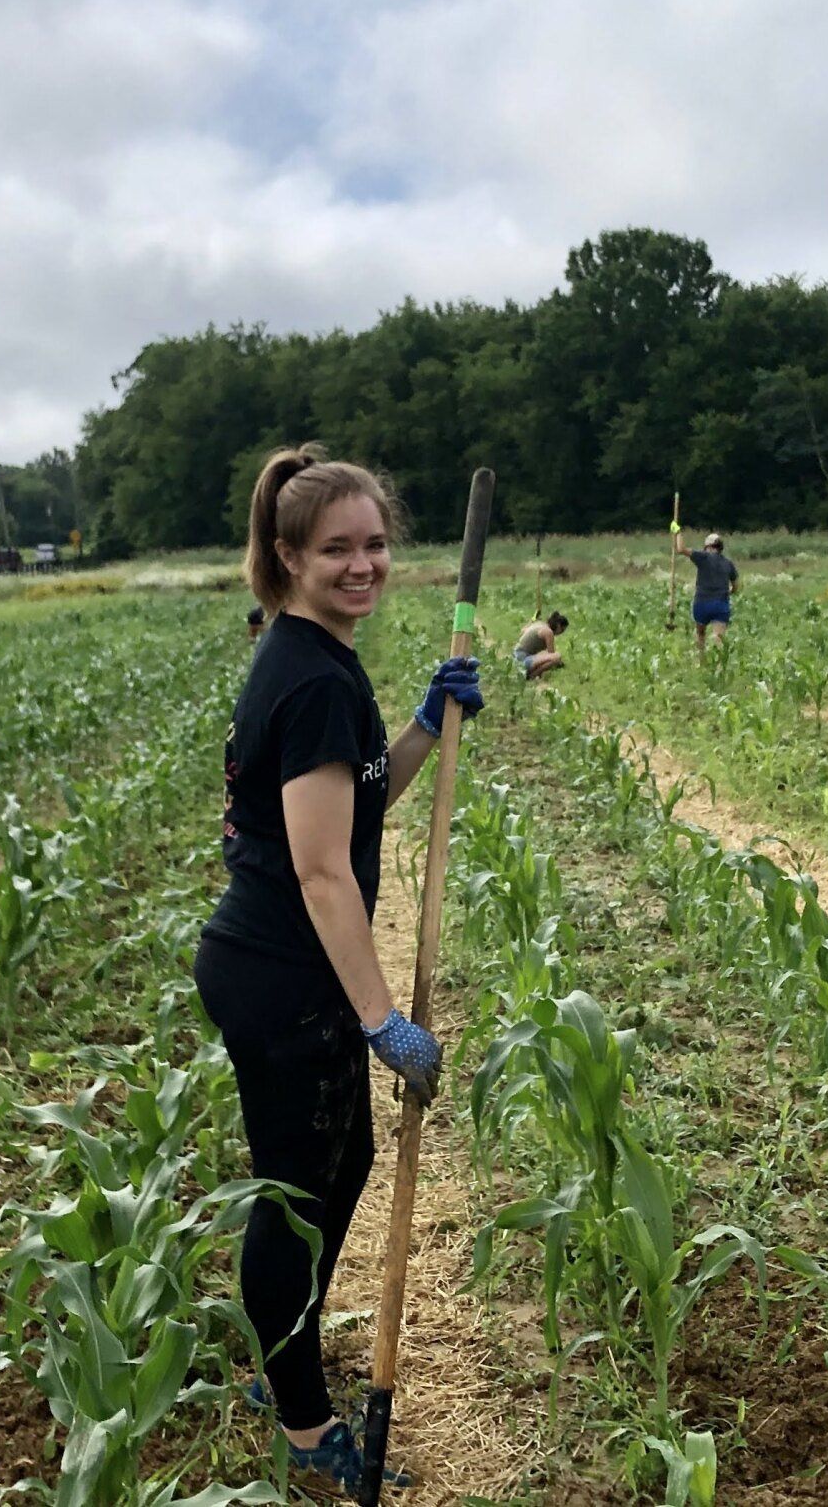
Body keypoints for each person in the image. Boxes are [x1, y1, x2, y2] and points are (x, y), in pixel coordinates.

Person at [193, 446, 484, 1493]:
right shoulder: (313, 678)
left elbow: (357, 802)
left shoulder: (313, 655)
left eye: (375, 544)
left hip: (278, 965)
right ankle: (307, 1426)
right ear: (289, 555)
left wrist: (424, 726)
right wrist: (381, 1019)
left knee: (334, 1169)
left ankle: (285, 1366)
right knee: (300, 1199)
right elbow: (323, 873)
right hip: (284, 974)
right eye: (336, 550)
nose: (363, 565)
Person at [673, 524, 739, 653]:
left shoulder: (703, 557)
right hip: (721, 604)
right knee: (719, 639)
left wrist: (678, 531)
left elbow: (680, 549)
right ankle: (719, 663)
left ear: (708, 546)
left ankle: (701, 660)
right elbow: (736, 586)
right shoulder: (728, 563)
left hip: (702, 602)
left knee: (700, 635)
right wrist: (729, 592)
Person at [513, 609, 570, 680]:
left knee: (545, 654)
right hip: (523, 660)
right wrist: (561, 664)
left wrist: (531, 621)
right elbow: (551, 654)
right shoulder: (548, 632)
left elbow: (522, 631)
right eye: (562, 630)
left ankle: (532, 673)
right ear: (558, 626)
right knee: (556, 657)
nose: (561, 633)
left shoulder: (539, 624)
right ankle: (533, 675)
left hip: (516, 656)